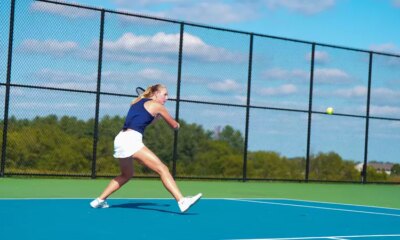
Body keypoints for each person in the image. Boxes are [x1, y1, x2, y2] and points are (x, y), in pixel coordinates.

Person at [90, 84, 202, 212]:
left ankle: (99, 200)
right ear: (155, 94)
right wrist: (177, 125)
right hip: (131, 140)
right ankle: (182, 201)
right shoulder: (158, 106)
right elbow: (174, 125)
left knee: (126, 174)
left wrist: (157, 117)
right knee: (162, 169)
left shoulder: (137, 102)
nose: (167, 98)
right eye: (164, 94)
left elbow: (144, 120)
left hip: (120, 139)